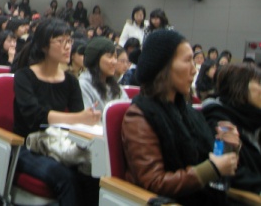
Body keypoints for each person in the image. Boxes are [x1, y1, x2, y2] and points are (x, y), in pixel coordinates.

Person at [122, 29, 239, 205]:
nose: (194, 70)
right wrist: (212, 168)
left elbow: (208, 159)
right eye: (187, 61)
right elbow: (153, 182)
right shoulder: (139, 116)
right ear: (164, 67)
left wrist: (229, 147)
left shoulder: (187, 111)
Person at [13, 18, 101, 205]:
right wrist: (79, 117)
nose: (68, 47)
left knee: (94, 172)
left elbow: (78, 122)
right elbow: (35, 116)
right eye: (61, 41)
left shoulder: (70, 81)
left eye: (69, 41)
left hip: (59, 142)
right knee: (66, 177)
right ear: (44, 46)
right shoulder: (24, 76)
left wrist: (86, 120)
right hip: (27, 146)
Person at [202, 63, 261, 194]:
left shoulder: (253, 121)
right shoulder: (219, 121)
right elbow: (230, 171)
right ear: (240, 87)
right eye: (259, 83)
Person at [79, 37, 128, 114]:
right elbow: (88, 117)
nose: (114, 62)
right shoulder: (83, 85)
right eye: (110, 56)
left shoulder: (114, 85)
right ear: (95, 58)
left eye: (115, 57)